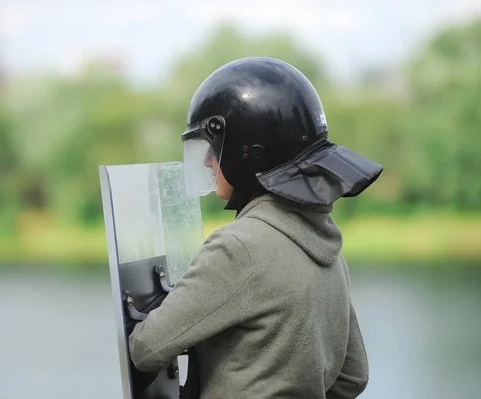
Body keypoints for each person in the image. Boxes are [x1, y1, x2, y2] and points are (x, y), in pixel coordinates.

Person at [128, 57, 382, 399]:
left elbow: (146, 349)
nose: (205, 161)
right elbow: (353, 377)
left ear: (248, 153)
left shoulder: (239, 248)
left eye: (212, 148)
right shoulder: (330, 254)